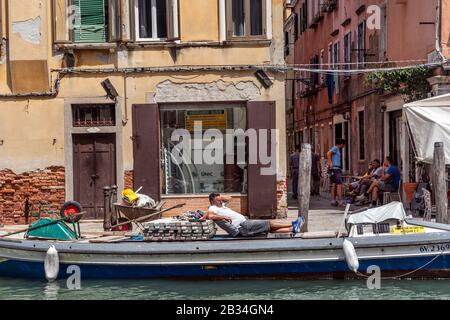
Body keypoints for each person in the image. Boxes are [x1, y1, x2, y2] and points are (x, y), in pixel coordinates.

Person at [205, 193, 305, 237]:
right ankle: (293, 224)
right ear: (212, 201)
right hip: (242, 227)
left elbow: (230, 198)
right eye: (217, 200)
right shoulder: (212, 208)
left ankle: (292, 228)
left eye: (219, 200)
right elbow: (210, 216)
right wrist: (223, 217)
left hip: (244, 224)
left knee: (269, 229)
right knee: (269, 223)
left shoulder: (221, 205)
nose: (219, 201)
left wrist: (220, 197)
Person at [327, 139, 346, 206]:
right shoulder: (336, 148)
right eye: (343, 145)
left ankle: (333, 200)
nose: (343, 146)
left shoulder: (336, 149)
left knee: (334, 184)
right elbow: (328, 153)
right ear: (342, 144)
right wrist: (330, 163)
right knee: (339, 185)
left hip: (334, 169)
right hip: (336, 168)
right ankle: (340, 201)